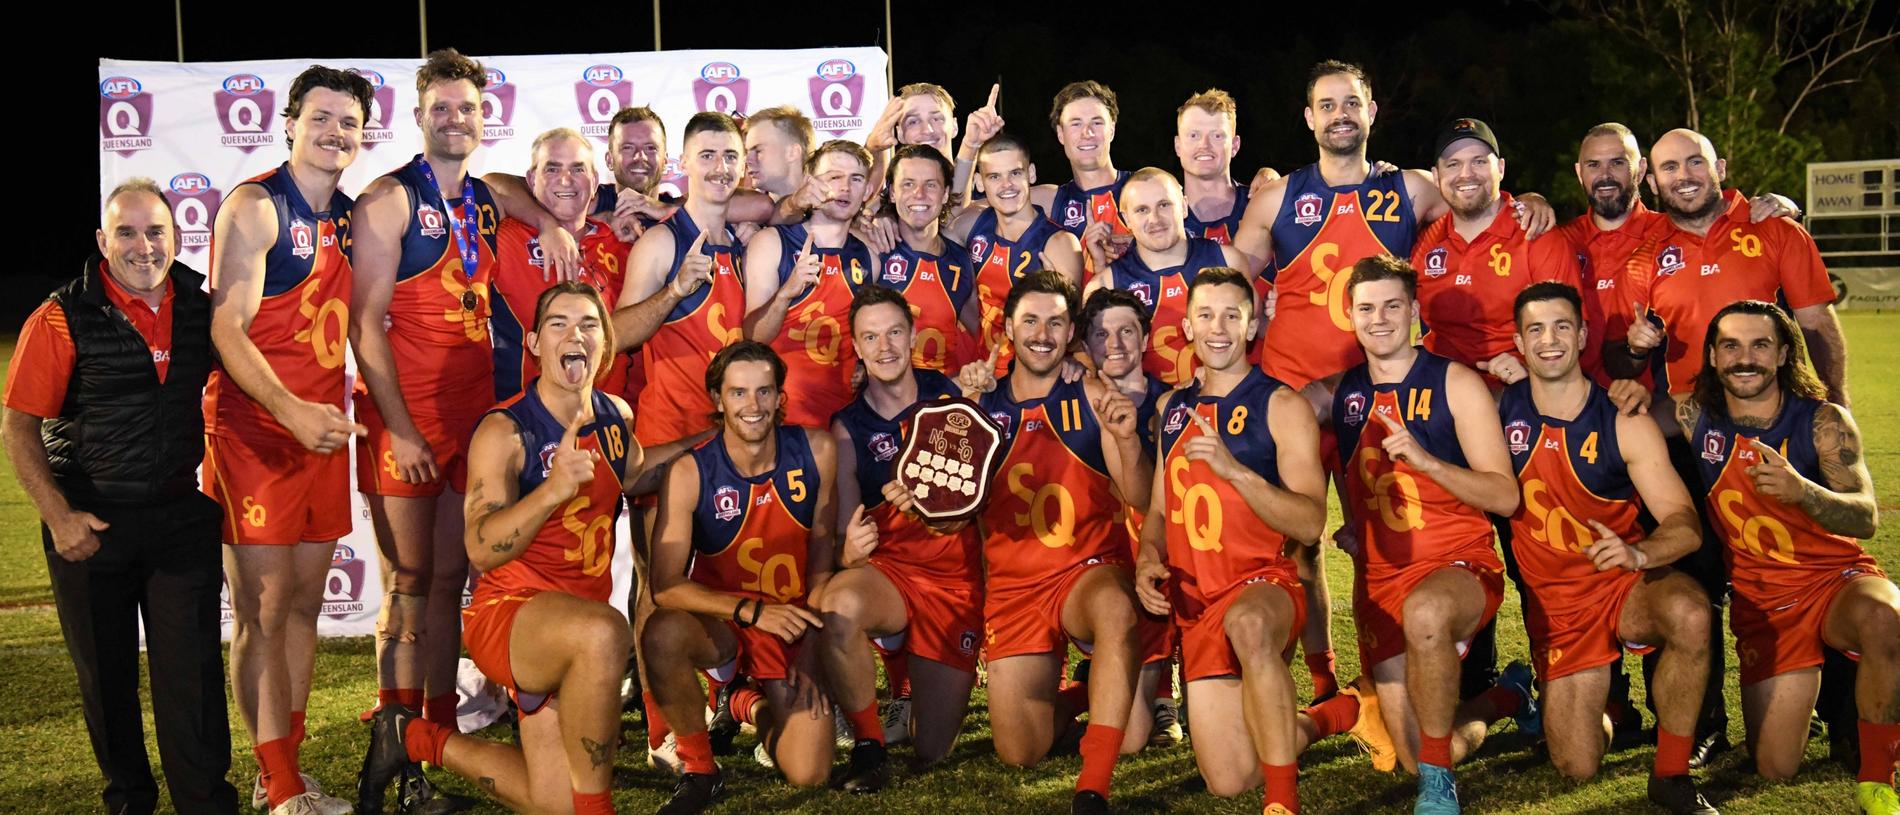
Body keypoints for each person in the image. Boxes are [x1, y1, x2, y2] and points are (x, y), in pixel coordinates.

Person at [363, 282, 694, 815]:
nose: (576, 335)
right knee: (606, 632)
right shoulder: (505, 430)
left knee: (554, 803)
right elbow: (481, 548)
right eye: (559, 324)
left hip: (576, 626)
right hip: (511, 617)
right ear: (536, 343)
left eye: (589, 324)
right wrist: (551, 492)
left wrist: (712, 441)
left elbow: (634, 471)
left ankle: (410, 737)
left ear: (605, 343)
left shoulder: (615, 414)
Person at [2, 179, 238, 815]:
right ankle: (129, 802)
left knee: (192, 682)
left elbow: (247, 383)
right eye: (127, 233)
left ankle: (206, 804)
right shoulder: (60, 314)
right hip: (90, 523)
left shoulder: (200, 306)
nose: (143, 246)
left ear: (177, 236)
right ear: (103, 242)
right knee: (107, 683)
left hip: (177, 516)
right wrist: (59, 517)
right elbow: (18, 424)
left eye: (156, 231)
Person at [201, 65, 374, 815]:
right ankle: (277, 787)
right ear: (291, 124)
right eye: (323, 118)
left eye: (350, 123)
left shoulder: (348, 213)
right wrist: (290, 410)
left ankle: (289, 774)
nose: (336, 133)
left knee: (303, 605)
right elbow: (225, 329)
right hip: (255, 432)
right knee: (263, 610)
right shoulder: (254, 206)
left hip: (320, 437)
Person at [1500, 283, 1719, 814]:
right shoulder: (1497, 410)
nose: (1549, 340)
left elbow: (1684, 522)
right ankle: (1581, 704)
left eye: (1561, 327)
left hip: (1622, 585)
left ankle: (1671, 773)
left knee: (1689, 612)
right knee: (1576, 764)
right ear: (1519, 343)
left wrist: (1639, 555)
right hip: (1557, 606)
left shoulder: (1625, 419)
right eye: (1535, 330)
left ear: (1582, 336)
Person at [1678, 301, 1897, 815]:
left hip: (1834, 580)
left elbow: (1866, 516)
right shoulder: (1693, 416)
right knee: (1776, 766)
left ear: (1782, 354)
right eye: (1731, 345)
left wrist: (1804, 492)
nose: (1745, 358)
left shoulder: (1823, 420)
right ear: (1712, 355)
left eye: (1760, 345)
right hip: (1765, 602)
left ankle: (1878, 778)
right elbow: (1615, 405)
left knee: (1887, 616)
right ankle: (1826, 694)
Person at [1333, 255, 1532, 814]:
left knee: (1424, 614)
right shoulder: (1344, 392)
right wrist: (1355, 520)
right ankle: (1506, 696)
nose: (1380, 319)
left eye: (1393, 305)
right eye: (1366, 308)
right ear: (1349, 316)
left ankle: (1440, 789)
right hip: (1382, 578)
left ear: (1415, 312)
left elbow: (1505, 495)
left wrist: (1428, 462)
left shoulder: (1455, 381)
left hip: (1457, 565)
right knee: (1410, 752)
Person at [1132, 268, 1328, 813]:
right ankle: (1332, 715)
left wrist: (1236, 470)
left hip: (1263, 584)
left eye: (1231, 315)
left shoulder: (1281, 406)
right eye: (1206, 315)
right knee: (1231, 777)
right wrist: (1148, 558)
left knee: (1248, 624)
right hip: (1198, 602)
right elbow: (1157, 510)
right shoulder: (1172, 410)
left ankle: (1282, 802)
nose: (1217, 328)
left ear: (1251, 327)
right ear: (1188, 326)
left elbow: (1310, 523)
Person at [644, 341, 841, 813]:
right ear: (717, 399)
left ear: (778, 397)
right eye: (738, 393)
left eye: (763, 392)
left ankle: (743, 705)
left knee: (809, 772)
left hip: (791, 619)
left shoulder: (817, 449)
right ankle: (700, 769)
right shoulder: (691, 470)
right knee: (662, 630)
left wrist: (812, 641)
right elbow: (665, 585)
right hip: (727, 622)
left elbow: (822, 556)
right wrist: (752, 611)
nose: (752, 406)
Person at [818, 284, 984, 790]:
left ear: (912, 333)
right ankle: (868, 747)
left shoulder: (952, 396)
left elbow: (977, 502)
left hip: (953, 574)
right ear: (857, 347)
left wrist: (938, 505)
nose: (885, 346)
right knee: (841, 602)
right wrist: (851, 549)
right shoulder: (848, 426)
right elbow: (850, 534)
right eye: (871, 337)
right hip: (891, 570)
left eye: (894, 332)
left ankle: (908, 677)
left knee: (931, 750)